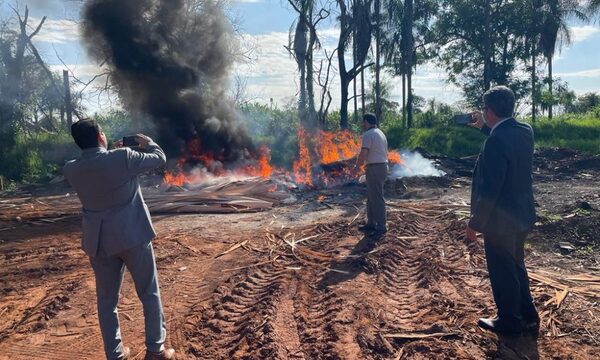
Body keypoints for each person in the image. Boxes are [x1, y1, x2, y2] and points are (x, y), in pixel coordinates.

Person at [63, 120, 175, 360]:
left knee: (106, 301)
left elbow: (97, 167)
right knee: (149, 293)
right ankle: (156, 351)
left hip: (99, 242)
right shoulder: (123, 157)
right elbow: (159, 158)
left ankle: (115, 355)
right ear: (101, 135)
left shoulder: (71, 169)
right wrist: (148, 143)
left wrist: (110, 152)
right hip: (133, 236)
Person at [466, 86, 539, 336]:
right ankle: (528, 316)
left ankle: (509, 321)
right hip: (523, 215)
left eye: (484, 109)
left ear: (488, 110)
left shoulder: (496, 142)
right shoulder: (525, 131)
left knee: (503, 271)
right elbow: (504, 140)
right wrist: (484, 128)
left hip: (500, 222)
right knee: (516, 266)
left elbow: (490, 189)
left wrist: (475, 223)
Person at [354, 113, 389, 236]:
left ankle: (381, 226)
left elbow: (364, 153)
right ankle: (371, 223)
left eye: (363, 122)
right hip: (381, 167)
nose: (362, 124)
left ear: (366, 121)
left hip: (375, 168)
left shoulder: (368, 134)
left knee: (377, 197)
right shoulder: (380, 133)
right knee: (371, 196)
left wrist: (356, 167)